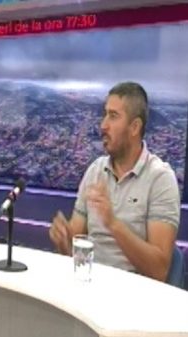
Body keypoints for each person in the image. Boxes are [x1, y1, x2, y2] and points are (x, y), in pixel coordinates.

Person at [49, 82, 180, 281]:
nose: (103, 125)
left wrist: (112, 223)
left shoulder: (160, 179)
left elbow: (158, 270)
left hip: (132, 292)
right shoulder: (95, 171)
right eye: (105, 115)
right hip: (88, 283)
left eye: (113, 116)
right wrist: (63, 240)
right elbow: (74, 250)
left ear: (135, 127)